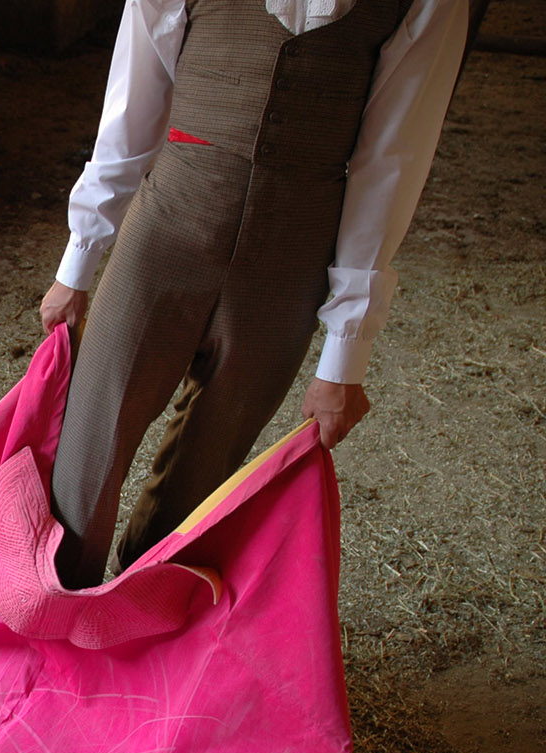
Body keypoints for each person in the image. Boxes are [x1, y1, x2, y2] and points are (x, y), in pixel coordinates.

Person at [38, 0, 468, 588]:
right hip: (171, 222)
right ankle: (55, 613)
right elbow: (133, 104)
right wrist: (79, 260)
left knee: (206, 472)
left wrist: (344, 356)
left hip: (293, 257)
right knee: (89, 444)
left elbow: (390, 159)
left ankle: (149, 624)